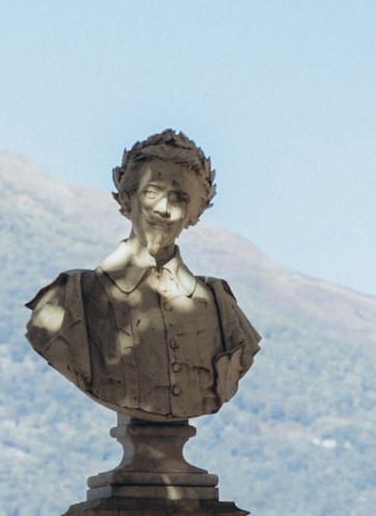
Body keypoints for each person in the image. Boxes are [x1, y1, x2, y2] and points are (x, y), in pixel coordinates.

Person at [25, 131, 260, 444]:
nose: (163, 208)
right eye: (152, 192)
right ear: (127, 198)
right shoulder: (70, 299)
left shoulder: (220, 307)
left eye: (179, 199)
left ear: (193, 215)